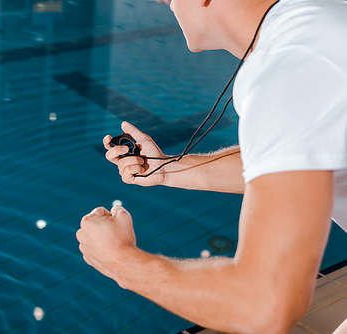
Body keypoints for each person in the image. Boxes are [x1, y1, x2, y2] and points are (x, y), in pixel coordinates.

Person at [76, 0, 347, 332]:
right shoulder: (316, 21)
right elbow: (299, 158)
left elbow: (262, 306)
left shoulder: (288, 65)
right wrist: (167, 168)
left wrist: (120, 261)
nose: (167, 8)